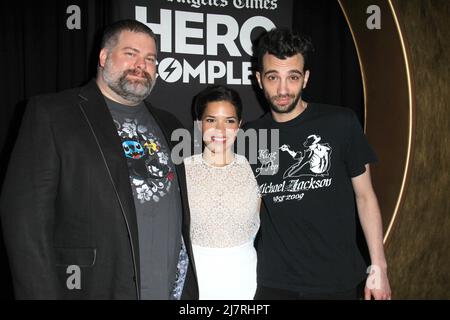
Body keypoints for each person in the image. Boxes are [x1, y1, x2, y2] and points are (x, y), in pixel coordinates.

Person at [0, 19, 198, 300]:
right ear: (104, 57)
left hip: (170, 290)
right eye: (130, 54)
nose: (141, 65)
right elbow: (24, 224)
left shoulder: (169, 123)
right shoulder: (53, 113)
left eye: (150, 58)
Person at [243, 28, 391, 300]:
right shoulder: (249, 136)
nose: (283, 89)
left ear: (306, 78)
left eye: (293, 77)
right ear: (259, 80)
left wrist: (379, 265)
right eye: (273, 77)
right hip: (274, 281)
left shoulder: (341, 122)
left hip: (337, 280)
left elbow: (365, 196)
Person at [183, 85, 261, 299]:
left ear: (239, 125)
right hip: (194, 282)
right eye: (211, 120)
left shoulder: (255, 171)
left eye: (229, 121)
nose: (220, 129)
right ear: (199, 125)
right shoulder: (182, 172)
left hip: (245, 281)